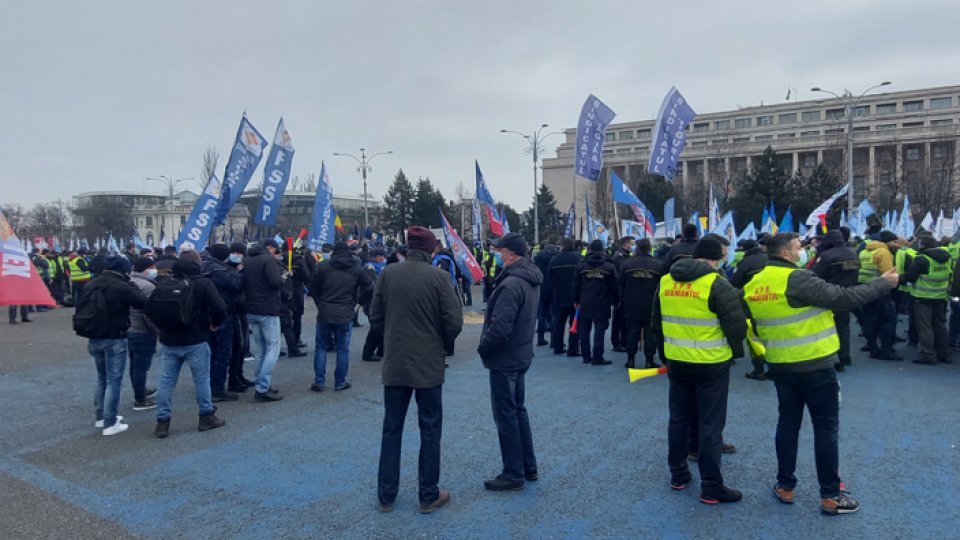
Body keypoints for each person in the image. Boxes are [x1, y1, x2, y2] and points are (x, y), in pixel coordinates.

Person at [743, 233, 898, 515]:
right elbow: (844, 298)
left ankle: (785, 486)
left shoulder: (755, 283)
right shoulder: (798, 279)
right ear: (787, 253)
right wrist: (882, 284)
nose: (803, 251)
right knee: (825, 428)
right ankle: (830, 495)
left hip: (780, 364)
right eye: (799, 247)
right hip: (814, 364)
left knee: (787, 425)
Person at [372, 226, 463, 514]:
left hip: (396, 362)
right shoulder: (438, 277)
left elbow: (375, 315)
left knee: (392, 429)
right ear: (431, 249)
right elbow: (454, 321)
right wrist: (441, 343)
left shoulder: (388, 274)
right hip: (428, 364)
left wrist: (391, 337)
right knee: (430, 429)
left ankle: (386, 495)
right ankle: (428, 495)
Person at [651, 237, 746, 504]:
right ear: (716, 259)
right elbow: (737, 329)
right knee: (710, 426)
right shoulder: (717, 283)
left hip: (677, 362)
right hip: (711, 364)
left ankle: (678, 475)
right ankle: (711, 486)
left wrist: (665, 355)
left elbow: (656, 323)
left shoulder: (666, 281)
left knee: (678, 420)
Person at [477, 232, 541, 491]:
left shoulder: (511, 284)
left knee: (506, 415)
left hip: (506, 357)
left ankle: (513, 472)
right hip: (521, 353)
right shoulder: (529, 279)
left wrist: (484, 348)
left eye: (500, 250)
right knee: (518, 411)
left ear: (511, 254)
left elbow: (500, 328)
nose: (497, 254)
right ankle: (528, 466)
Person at [147, 251, 228, 438]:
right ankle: (206, 416)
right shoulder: (203, 283)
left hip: (169, 339)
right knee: (201, 380)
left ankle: (162, 421)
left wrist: (162, 327)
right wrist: (214, 323)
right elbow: (220, 307)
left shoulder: (164, 283)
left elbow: (149, 309)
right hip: (196, 338)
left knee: (166, 382)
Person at [74, 255, 147, 436]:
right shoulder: (121, 286)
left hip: (93, 335)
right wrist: (131, 283)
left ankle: (101, 417)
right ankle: (110, 421)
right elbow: (141, 301)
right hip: (114, 336)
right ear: (124, 271)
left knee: (102, 378)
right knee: (114, 381)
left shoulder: (92, 283)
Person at [308, 242, 374, 392]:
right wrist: (358, 302)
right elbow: (369, 286)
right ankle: (340, 382)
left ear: (333, 253)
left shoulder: (322, 267)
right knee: (343, 349)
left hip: (325, 311)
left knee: (321, 348)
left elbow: (312, 289)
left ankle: (319, 382)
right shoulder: (356, 269)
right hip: (345, 312)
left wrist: (320, 303)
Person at [899, 234, 952, 365]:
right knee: (939, 325)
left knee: (925, 327)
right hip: (940, 296)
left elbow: (911, 277)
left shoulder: (922, 259)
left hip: (923, 297)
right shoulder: (947, 257)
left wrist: (899, 278)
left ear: (923, 245)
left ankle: (928, 354)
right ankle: (944, 353)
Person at [811, 229, 860, 372]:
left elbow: (816, 275)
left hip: (829, 295)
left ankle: (830, 357)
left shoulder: (826, 256)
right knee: (843, 327)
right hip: (848, 294)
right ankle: (845, 357)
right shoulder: (852, 253)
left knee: (825, 328)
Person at [202, 244, 246, 401]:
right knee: (224, 351)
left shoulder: (205, 266)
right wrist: (240, 273)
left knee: (214, 351)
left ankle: (214, 383)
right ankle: (218, 387)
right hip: (224, 312)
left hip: (210, 312)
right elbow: (235, 285)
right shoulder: (219, 270)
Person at [242, 239, 285, 401]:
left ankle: (261, 382)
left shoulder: (248, 259)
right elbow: (275, 282)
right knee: (272, 349)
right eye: (275, 250)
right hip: (268, 308)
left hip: (251, 308)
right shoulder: (268, 260)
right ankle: (262, 387)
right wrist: (283, 279)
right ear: (270, 248)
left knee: (261, 349)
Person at [618, 238, 663, 369]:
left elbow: (621, 284)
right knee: (650, 332)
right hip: (651, 303)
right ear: (649, 248)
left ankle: (630, 359)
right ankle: (649, 360)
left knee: (632, 331)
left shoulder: (627, 265)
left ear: (637, 248)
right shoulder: (658, 265)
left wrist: (624, 300)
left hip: (632, 303)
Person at [573, 239, 619, 365]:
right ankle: (597, 356)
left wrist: (576, 300)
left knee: (584, 329)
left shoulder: (582, 265)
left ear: (590, 249)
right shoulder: (609, 266)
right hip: (603, 301)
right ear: (602, 249)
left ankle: (586, 355)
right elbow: (615, 286)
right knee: (600, 329)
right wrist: (616, 301)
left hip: (585, 301)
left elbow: (576, 284)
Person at [730, 237, 769, 379]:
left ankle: (759, 368)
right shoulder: (769, 259)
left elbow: (734, 282)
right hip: (773, 301)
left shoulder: (744, 263)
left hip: (751, 302)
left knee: (753, 336)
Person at [858, 231, 901, 360]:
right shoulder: (883, 252)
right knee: (889, 320)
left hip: (865, 289)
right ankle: (886, 350)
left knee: (869, 320)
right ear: (887, 242)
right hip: (881, 291)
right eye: (895, 242)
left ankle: (872, 348)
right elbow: (889, 273)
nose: (897, 245)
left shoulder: (864, 252)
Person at [128, 257, 159, 410]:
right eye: (152, 267)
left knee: (135, 363)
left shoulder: (129, 281)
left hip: (130, 328)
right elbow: (149, 312)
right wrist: (157, 331)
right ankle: (140, 399)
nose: (155, 270)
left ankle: (139, 390)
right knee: (141, 365)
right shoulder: (147, 286)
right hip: (142, 330)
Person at [225, 242, 254, 392]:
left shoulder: (242, 267)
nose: (238, 255)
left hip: (241, 309)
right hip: (233, 310)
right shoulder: (227, 269)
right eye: (235, 252)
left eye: (240, 253)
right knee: (236, 346)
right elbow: (235, 285)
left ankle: (239, 374)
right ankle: (233, 378)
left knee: (242, 346)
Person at [549, 237, 581, 357]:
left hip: (559, 295)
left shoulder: (554, 260)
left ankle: (557, 346)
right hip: (574, 296)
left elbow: (550, 276)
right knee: (574, 323)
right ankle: (572, 349)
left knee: (559, 322)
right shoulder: (578, 259)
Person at [532, 237, 560, 347]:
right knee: (553, 314)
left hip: (541, 287)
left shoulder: (538, 256)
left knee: (541, 314)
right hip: (554, 287)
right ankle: (554, 340)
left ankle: (540, 339)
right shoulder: (557, 256)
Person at [610, 236, 635, 352]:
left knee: (624, 318)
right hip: (620, 292)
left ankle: (624, 341)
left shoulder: (625, 256)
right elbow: (622, 273)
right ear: (626, 244)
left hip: (625, 292)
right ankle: (616, 342)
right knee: (619, 319)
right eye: (632, 244)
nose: (633, 246)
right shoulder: (619, 257)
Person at [362, 248, 388, 362]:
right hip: (372, 301)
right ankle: (368, 352)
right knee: (376, 328)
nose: (382, 258)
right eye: (381, 256)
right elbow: (371, 285)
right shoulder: (369, 268)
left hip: (380, 301)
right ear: (376, 256)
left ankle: (381, 351)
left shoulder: (382, 266)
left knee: (381, 327)